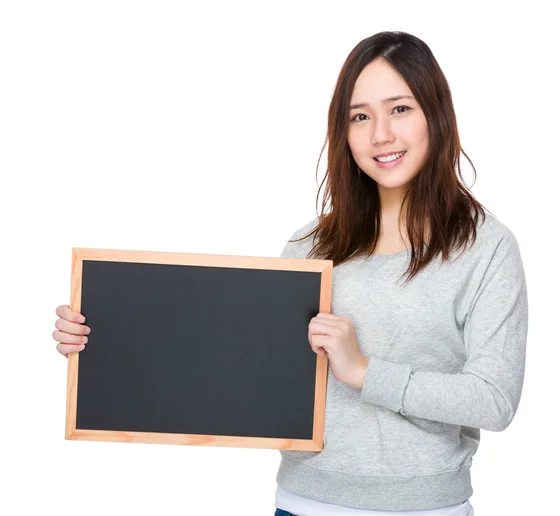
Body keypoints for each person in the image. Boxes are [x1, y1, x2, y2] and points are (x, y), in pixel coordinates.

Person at [52, 31, 528, 516]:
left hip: (426, 508)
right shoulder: (309, 246)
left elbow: (493, 400)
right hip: (301, 504)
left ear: (437, 115)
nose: (381, 133)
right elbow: (237, 364)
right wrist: (104, 340)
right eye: (360, 116)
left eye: (400, 109)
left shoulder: (486, 248)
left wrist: (363, 371)